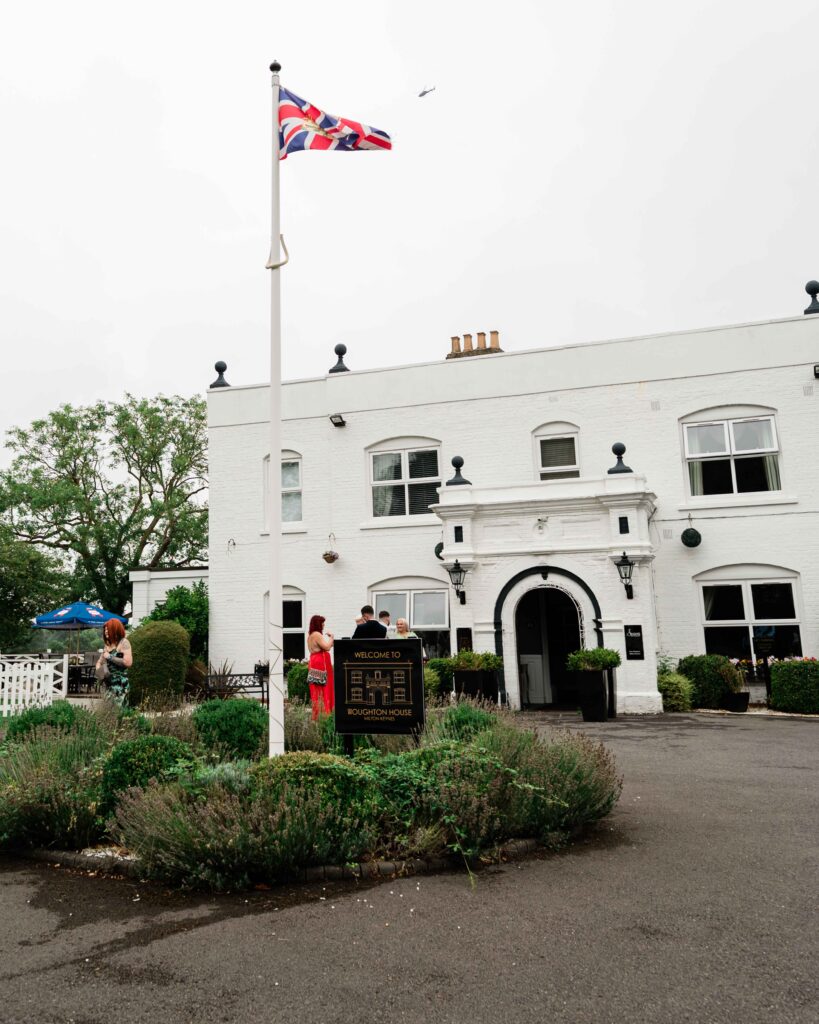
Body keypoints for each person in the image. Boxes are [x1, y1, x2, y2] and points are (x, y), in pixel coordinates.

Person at [96, 619, 132, 702]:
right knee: (107, 708)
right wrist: (100, 672)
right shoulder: (107, 645)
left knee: (118, 709)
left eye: (108, 629)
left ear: (115, 629)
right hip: (108, 685)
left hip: (120, 685)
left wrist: (109, 657)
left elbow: (128, 662)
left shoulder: (124, 642)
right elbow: (99, 662)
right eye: (105, 630)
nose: (106, 632)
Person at [307, 614, 334, 720]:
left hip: (314, 663)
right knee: (323, 689)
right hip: (320, 664)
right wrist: (331, 637)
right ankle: (325, 715)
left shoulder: (310, 635)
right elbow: (327, 647)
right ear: (318, 624)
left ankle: (318, 715)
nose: (323, 625)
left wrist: (330, 643)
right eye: (322, 623)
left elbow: (324, 646)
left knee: (316, 690)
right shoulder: (317, 634)